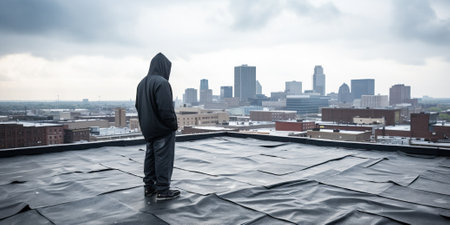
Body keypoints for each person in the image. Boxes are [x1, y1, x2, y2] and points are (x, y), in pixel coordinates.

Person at [135, 52, 180, 200]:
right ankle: (163, 189)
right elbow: (166, 109)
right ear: (164, 67)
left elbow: (138, 106)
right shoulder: (162, 83)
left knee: (150, 157)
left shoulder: (142, 83)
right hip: (162, 129)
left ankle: (149, 187)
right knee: (163, 158)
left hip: (148, 128)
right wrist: (173, 125)